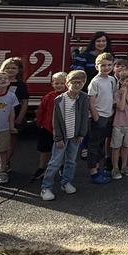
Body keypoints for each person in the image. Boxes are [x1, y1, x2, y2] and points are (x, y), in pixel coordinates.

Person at [40, 70, 90, 201]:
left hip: (75, 136)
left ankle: (66, 182)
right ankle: (46, 187)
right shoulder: (59, 99)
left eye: (80, 82)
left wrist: (81, 134)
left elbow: (85, 117)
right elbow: (55, 120)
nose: (77, 85)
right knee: (55, 162)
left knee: (71, 161)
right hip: (62, 137)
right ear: (67, 84)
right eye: (74, 82)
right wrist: (58, 138)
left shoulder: (84, 98)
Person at [31, 71, 67, 183]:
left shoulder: (69, 97)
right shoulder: (48, 97)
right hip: (47, 127)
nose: (59, 85)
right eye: (56, 83)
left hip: (62, 130)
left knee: (62, 150)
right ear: (52, 84)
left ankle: (62, 167)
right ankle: (42, 168)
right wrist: (39, 123)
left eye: (62, 83)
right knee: (44, 149)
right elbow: (41, 110)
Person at [87, 52, 117, 185]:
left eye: (109, 65)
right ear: (96, 66)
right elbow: (91, 102)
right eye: (103, 65)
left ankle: (99, 168)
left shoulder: (112, 80)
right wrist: (96, 117)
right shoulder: (95, 82)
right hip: (99, 117)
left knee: (101, 145)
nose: (106, 68)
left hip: (108, 115)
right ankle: (93, 172)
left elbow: (112, 95)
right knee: (94, 145)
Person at [111, 69, 128, 179]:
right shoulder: (116, 93)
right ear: (121, 81)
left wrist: (126, 93)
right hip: (118, 124)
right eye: (126, 81)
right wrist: (123, 94)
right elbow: (121, 107)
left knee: (126, 146)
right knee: (116, 147)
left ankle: (124, 166)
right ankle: (115, 168)